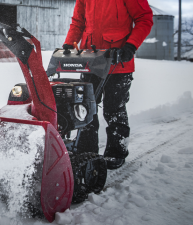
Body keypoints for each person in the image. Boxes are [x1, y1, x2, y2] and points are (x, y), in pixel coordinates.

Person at [63, 0, 153, 169]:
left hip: (118, 61)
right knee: (85, 107)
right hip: (90, 59)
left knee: (114, 108)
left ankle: (116, 152)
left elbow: (144, 18)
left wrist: (131, 46)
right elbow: (78, 22)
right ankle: (86, 150)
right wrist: (69, 43)